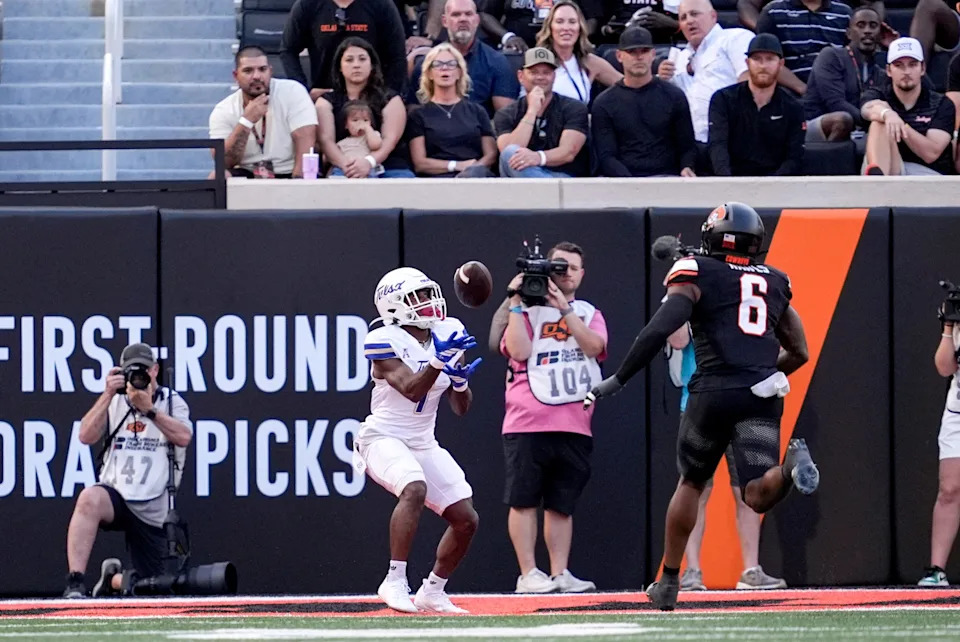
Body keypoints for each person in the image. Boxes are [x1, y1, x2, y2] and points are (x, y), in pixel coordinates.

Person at [584, 202, 819, 611]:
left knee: (692, 483)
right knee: (758, 494)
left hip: (712, 392)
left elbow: (661, 327)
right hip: (761, 393)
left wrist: (619, 377)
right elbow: (798, 350)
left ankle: (671, 582)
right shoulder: (775, 280)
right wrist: (759, 372)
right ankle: (790, 466)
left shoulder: (696, 271)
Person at [357, 267, 482, 613]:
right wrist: (440, 362)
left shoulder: (449, 331)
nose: (429, 302)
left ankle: (433, 591)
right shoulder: (382, 339)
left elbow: (461, 407)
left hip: (423, 440)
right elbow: (412, 390)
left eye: (429, 294)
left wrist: (458, 381)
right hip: (382, 437)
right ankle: (395, 580)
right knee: (414, 487)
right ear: (394, 305)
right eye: (419, 297)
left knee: (467, 519)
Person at [489, 241, 608, 593]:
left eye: (571, 268)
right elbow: (519, 351)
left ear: (582, 274)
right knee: (524, 499)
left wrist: (563, 310)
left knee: (561, 504)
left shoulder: (588, 312)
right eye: (558, 267)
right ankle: (528, 574)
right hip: (528, 419)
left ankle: (560, 573)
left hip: (574, 422)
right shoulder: (523, 311)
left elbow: (594, 347)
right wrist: (515, 300)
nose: (565, 274)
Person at [63, 343, 193, 598]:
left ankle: (113, 579)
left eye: (144, 371)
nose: (139, 378)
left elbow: (184, 437)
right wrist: (107, 394)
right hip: (117, 494)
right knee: (89, 498)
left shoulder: (171, 402)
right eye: (132, 372)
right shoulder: (114, 401)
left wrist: (150, 410)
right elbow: (85, 435)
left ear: (155, 370)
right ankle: (75, 582)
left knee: (153, 589)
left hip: (154, 506)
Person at [665, 324, 787, 591]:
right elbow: (677, 340)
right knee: (695, 488)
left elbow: (776, 346)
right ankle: (692, 571)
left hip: (744, 400)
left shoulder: (741, 294)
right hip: (700, 403)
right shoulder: (692, 290)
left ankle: (751, 569)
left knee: (747, 487)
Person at [592, 26, 697, 177]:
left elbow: (687, 146)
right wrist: (633, 186)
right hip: (623, 184)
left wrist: (687, 166)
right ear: (619, 56)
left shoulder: (674, 96)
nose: (639, 57)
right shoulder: (604, 103)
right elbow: (606, 156)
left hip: (669, 180)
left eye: (644, 51)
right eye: (632, 52)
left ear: (653, 54)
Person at [658, 0, 754, 152]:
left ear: (713, 16)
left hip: (732, 138)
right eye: (683, 17)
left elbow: (749, 83)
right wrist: (663, 80)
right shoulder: (679, 58)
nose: (689, 21)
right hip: (692, 145)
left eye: (695, 14)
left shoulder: (735, 38)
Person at [209, 46, 318, 179]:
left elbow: (305, 139)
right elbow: (224, 162)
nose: (257, 76)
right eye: (248, 71)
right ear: (236, 76)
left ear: (270, 71)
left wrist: (297, 183)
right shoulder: (224, 109)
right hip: (248, 172)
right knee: (217, 176)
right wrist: (246, 121)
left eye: (262, 69)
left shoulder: (293, 91)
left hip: (288, 171)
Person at [316, 38, 415, 178]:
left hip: (390, 167)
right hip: (345, 167)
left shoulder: (391, 99)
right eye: (349, 60)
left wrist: (369, 163)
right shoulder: (326, 102)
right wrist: (348, 167)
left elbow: (389, 140)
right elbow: (326, 141)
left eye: (362, 59)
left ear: (372, 65)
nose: (356, 65)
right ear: (339, 66)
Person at [708, 34, 806, 176]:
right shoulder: (723, 99)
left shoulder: (793, 107)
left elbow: (794, 156)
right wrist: (727, 182)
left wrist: (772, 185)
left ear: (781, 64)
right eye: (757, 59)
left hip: (775, 186)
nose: (763, 66)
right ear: (747, 63)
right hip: (730, 182)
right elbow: (718, 145)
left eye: (770, 59)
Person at [861, 37, 957, 176]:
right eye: (899, 65)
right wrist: (888, 114)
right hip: (888, 167)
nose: (906, 71)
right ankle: (878, 182)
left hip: (927, 175)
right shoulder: (878, 93)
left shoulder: (942, 103)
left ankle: (878, 189)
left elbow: (931, 153)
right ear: (888, 70)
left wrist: (901, 125)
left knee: (883, 120)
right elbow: (867, 108)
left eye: (912, 64)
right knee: (879, 121)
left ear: (922, 68)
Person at [407, 0, 520, 117]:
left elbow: (505, 118)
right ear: (444, 21)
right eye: (456, 15)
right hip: (433, 130)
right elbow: (414, 110)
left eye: (468, 14)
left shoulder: (497, 61)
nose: (463, 19)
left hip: (480, 130)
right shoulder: (426, 63)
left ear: (477, 20)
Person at [280, 0, 408, 99]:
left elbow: (397, 55)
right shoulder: (308, 5)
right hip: (324, 96)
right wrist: (303, 91)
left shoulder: (381, 5)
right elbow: (288, 50)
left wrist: (388, 94)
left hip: (372, 96)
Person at [494, 47, 590, 178]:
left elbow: (568, 152)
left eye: (546, 72)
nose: (540, 77)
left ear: (554, 76)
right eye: (533, 72)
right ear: (520, 76)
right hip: (521, 181)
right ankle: (546, 193)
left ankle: (545, 191)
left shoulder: (574, 108)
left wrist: (538, 157)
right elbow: (508, 154)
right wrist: (532, 111)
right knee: (510, 152)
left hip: (564, 180)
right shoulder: (506, 113)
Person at [408, 43, 498, 177]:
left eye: (451, 64)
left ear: (459, 72)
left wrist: (472, 170)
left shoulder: (477, 111)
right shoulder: (418, 115)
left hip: (476, 178)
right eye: (437, 64)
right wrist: (457, 166)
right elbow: (420, 163)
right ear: (430, 74)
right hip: (438, 181)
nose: (445, 68)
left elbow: (490, 155)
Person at [919, 293, 960, 586]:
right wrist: (949, 325)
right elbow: (944, 367)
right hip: (958, 411)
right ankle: (937, 569)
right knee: (949, 488)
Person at [804, 6, 889, 133]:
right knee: (842, 119)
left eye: (873, 26)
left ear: (880, 35)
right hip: (818, 127)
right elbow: (835, 104)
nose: (867, 31)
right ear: (849, 33)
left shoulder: (878, 70)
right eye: (861, 25)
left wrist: (894, 46)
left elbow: (915, 83)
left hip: (860, 130)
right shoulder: (831, 56)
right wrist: (876, 118)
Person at [756, 0, 853, 99]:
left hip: (837, 92)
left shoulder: (845, 14)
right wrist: (804, 89)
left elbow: (853, 58)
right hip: (790, 94)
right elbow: (766, 61)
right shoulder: (773, 12)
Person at [534, 0, 622, 105]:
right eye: (560, 21)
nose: (566, 28)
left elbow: (629, 85)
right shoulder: (535, 60)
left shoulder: (590, 62)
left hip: (577, 120)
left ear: (580, 28)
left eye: (572, 22)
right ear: (550, 27)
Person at [480, 0, 604, 52]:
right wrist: (508, 37)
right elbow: (485, 14)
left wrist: (570, 40)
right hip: (519, 50)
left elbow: (592, 20)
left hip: (564, 51)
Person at [332, 100, 384, 177]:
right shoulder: (343, 142)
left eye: (365, 120)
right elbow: (331, 156)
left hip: (367, 170)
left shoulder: (371, 135)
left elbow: (376, 145)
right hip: (346, 170)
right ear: (346, 124)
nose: (361, 123)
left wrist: (368, 128)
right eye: (355, 120)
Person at [599, 0, 680, 47]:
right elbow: (596, 29)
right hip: (619, 46)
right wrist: (608, 30)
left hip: (662, 45)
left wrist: (673, 23)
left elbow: (689, 24)